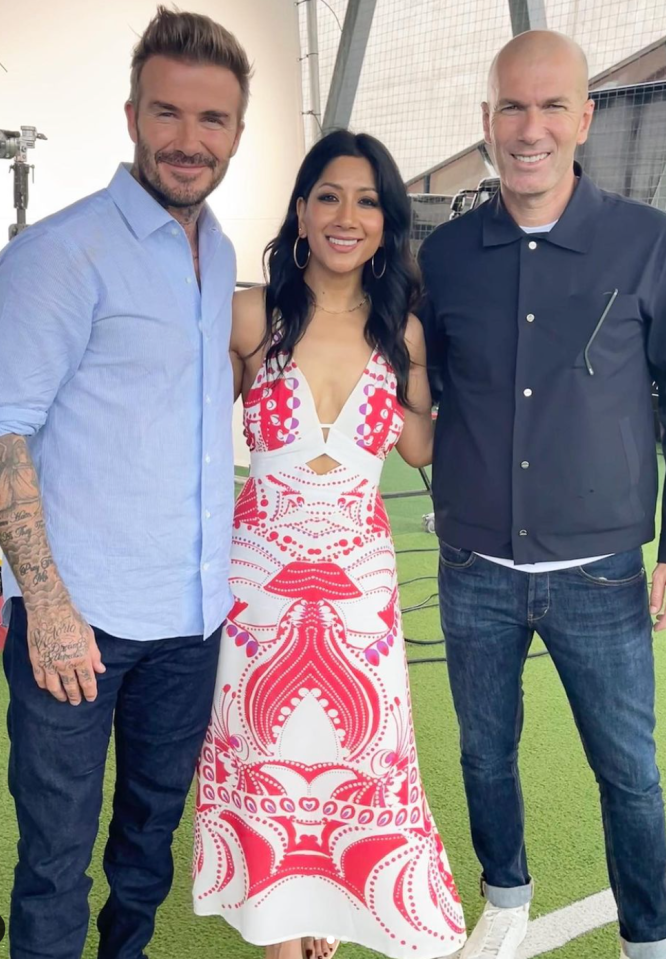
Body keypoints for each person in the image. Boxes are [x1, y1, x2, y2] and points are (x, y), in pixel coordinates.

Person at [418, 29, 666, 959]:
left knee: (627, 771)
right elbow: (419, 391)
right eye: (512, 106)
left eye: (552, 106)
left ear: (584, 118)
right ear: (486, 122)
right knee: (481, 753)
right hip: (474, 569)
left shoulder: (647, 243)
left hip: (602, 577)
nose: (530, 128)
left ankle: (649, 939)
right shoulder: (449, 257)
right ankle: (504, 900)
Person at [0, 9, 250, 958]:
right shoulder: (61, 252)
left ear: (235, 135)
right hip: (77, 629)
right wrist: (44, 605)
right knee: (54, 859)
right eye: (168, 114)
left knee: (146, 845)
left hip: (191, 618)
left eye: (212, 121)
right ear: (132, 116)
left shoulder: (221, 254)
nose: (188, 140)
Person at [191, 129, 467, 959]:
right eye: (329, 196)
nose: (347, 216)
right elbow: (189, 423)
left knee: (357, 752)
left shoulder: (404, 333)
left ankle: (328, 908)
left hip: (360, 584)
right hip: (260, 584)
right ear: (302, 211)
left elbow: (418, 448)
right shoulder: (250, 314)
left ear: (387, 221)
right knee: (268, 752)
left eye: (368, 200)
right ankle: (281, 925)